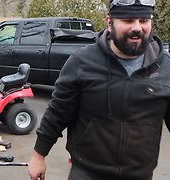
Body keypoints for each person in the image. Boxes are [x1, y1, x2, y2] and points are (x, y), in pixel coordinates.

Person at [28, 0, 170, 179]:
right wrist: (38, 155)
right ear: (109, 23)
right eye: (128, 21)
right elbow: (58, 112)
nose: (137, 28)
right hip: (86, 172)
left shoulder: (165, 67)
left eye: (144, 20)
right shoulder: (82, 62)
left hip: (140, 175)